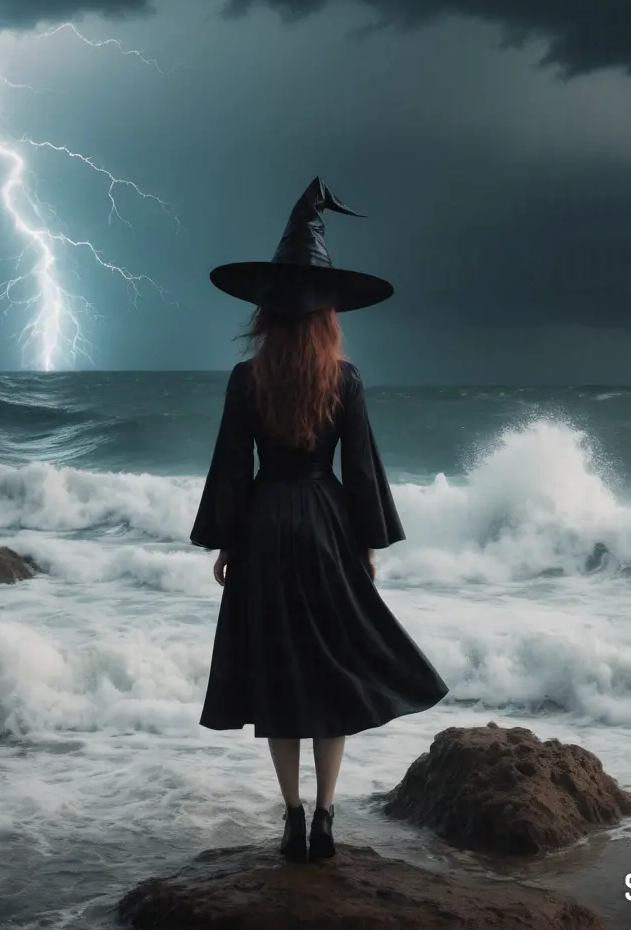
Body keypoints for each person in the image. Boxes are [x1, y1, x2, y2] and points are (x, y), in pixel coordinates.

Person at [190, 176, 449, 864]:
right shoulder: (347, 378)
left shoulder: (246, 378)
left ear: (268, 313)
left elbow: (231, 467)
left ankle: (294, 818)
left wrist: (222, 541)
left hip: (267, 527)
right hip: (328, 526)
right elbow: (361, 470)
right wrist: (367, 544)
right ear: (329, 313)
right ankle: (330, 816)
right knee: (332, 674)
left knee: (279, 675)